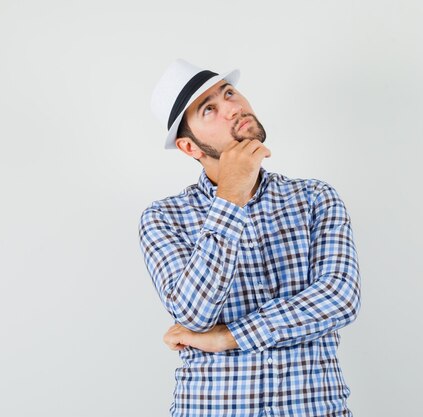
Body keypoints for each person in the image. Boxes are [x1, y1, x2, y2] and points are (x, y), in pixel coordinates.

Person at [138, 58, 362, 417]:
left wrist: (230, 337)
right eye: (209, 109)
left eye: (229, 93)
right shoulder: (164, 218)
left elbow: (339, 299)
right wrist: (230, 198)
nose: (232, 108)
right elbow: (194, 315)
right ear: (189, 148)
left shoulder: (315, 198)